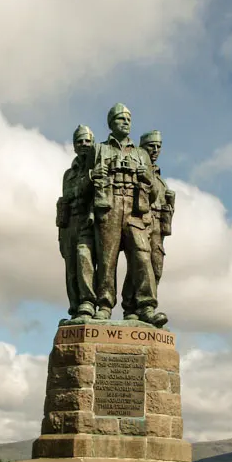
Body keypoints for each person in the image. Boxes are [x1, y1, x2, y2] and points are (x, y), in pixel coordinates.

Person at [91, 104, 168, 327]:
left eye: (128, 119)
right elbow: (87, 185)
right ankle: (104, 306)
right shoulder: (99, 150)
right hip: (110, 207)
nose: (125, 122)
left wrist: (148, 178)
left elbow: (154, 194)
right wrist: (93, 175)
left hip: (135, 211)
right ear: (110, 123)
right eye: (120, 118)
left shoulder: (141, 154)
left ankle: (145, 306)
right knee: (107, 260)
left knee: (142, 257)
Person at [121, 130, 174, 320]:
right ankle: (134, 307)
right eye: (151, 146)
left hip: (158, 224)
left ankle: (139, 310)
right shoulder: (136, 169)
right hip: (140, 220)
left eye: (159, 146)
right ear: (142, 148)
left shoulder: (160, 179)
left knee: (155, 268)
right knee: (140, 263)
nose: (156, 150)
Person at [56, 125, 97, 323]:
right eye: (80, 141)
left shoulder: (97, 168)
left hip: (87, 221)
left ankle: (88, 303)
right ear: (74, 146)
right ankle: (75, 310)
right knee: (71, 268)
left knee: (83, 257)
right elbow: (67, 195)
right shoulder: (68, 174)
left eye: (87, 141)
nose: (84, 144)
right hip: (68, 224)